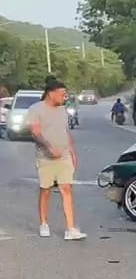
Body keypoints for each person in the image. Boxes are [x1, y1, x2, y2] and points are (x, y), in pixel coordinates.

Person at [27, 79, 86, 240]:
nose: (64, 97)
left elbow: (64, 131)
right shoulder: (35, 109)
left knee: (66, 189)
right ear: (51, 93)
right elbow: (35, 132)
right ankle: (44, 223)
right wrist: (48, 147)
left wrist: (72, 151)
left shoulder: (62, 110)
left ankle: (70, 228)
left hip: (64, 156)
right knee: (45, 190)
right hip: (45, 157)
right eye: (62, 94)